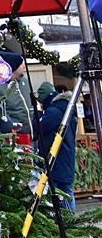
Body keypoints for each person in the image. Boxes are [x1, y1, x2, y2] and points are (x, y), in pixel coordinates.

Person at [36, 81, 78, 211]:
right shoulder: (67, 108)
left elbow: (39, 128)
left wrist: (37, 113)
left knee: (60, 192)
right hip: (65, 156)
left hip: (56, 158)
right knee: (66, 191)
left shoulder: (54, 111)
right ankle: (71, 222)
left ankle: (66, 222)